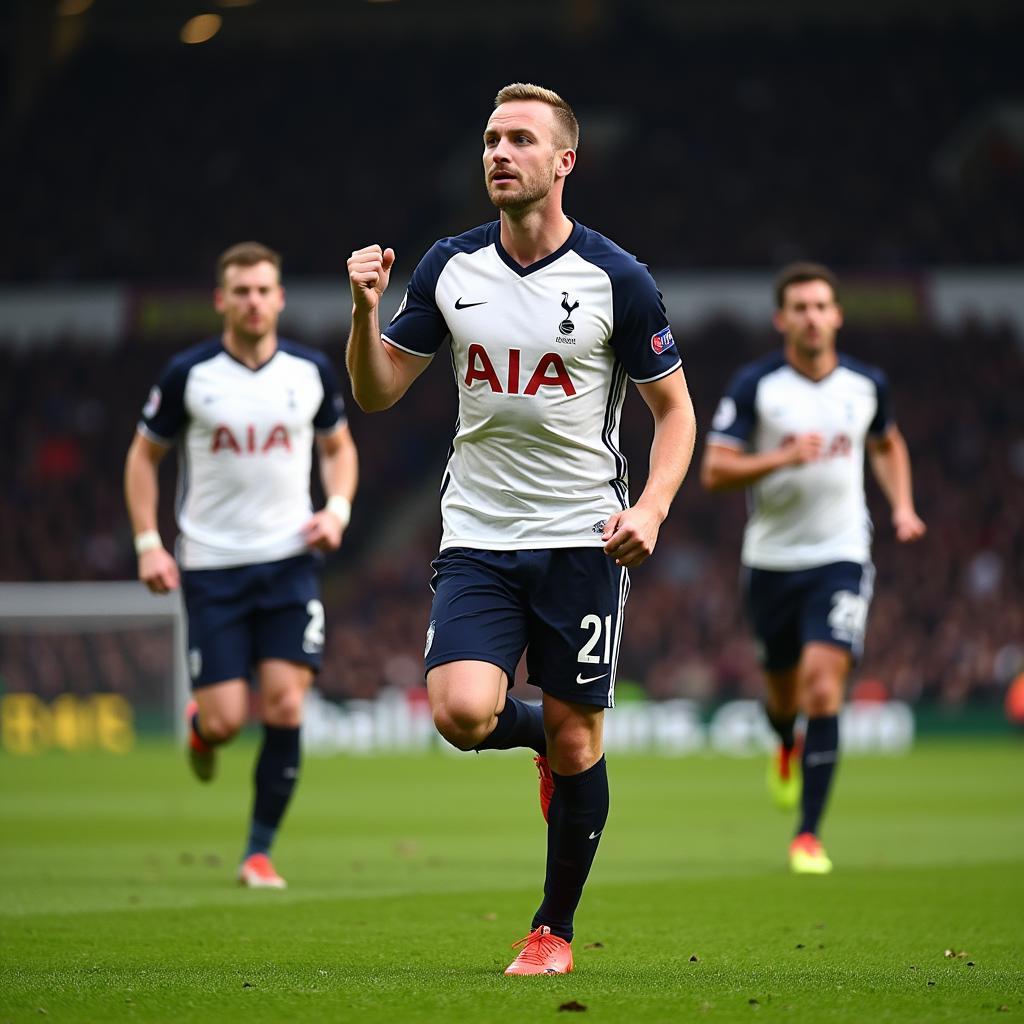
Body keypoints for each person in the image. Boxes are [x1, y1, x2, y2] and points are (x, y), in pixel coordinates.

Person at [346, 82, 696, 975]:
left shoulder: (618, 278)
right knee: (463, 714)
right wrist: (364, 313)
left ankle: (553, 930)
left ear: (563, 162)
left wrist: (650, 508)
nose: (499, 153)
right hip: (477, 535)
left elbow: (676, 413)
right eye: (492, 139)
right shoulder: (449, 266)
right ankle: (535, 734)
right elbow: (378, 389)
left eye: (521, 140)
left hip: (585, 536)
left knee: (583, 739)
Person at [124, 241, 358, 889]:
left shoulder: (309, 371)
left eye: (264, 290)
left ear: (279, 298)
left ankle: (258, 852)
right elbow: (143, 458)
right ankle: (204, 730)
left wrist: (336, 508)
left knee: (285, 705)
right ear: (222, 300)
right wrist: (149, 541)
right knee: (228, 719)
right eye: (242, 291)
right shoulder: (189, 374)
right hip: (212, 569)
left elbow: (340, 450)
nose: (254, 301)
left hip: (288, 563)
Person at [701, 261, 925, 874]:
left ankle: (807, 836)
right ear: (781, 319)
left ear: (837, 315)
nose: (811, 316)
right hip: (771, 561)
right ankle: (782, 742)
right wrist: (778, 458)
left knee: (823, 688)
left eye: (821, 306)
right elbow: (715, 470)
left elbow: (887, 442)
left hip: (841, 555)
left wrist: (902, 506)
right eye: (799, 307)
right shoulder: (757, 385)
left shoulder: (865, 383)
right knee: (781, 696)